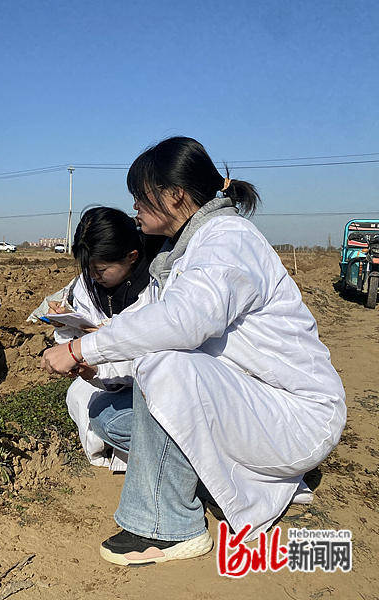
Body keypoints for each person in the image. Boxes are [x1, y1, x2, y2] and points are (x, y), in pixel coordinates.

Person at [41, 136, 346, 566]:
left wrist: (78, 348)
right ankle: (222, 479)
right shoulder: (180, 254)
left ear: (174, 195)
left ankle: (168, 528)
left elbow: (181, 324)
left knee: (165, 360)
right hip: (248, 404)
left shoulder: (227, 239)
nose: (136, 210)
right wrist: (95, 363)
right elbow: (137, 327)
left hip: (294, 418)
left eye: (140, 199)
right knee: (106, 414)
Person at [49, 208, 163, 470]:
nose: (93, 276)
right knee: (86, 402)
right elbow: (78, 341)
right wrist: (65, 323)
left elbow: (152, 356)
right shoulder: (86, 285)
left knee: (112, 418)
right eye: (88, 269)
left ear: (132, 257)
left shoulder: (157, 289)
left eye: (100, 270)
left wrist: (101, 356)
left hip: (152, 383)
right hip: (109, 380)